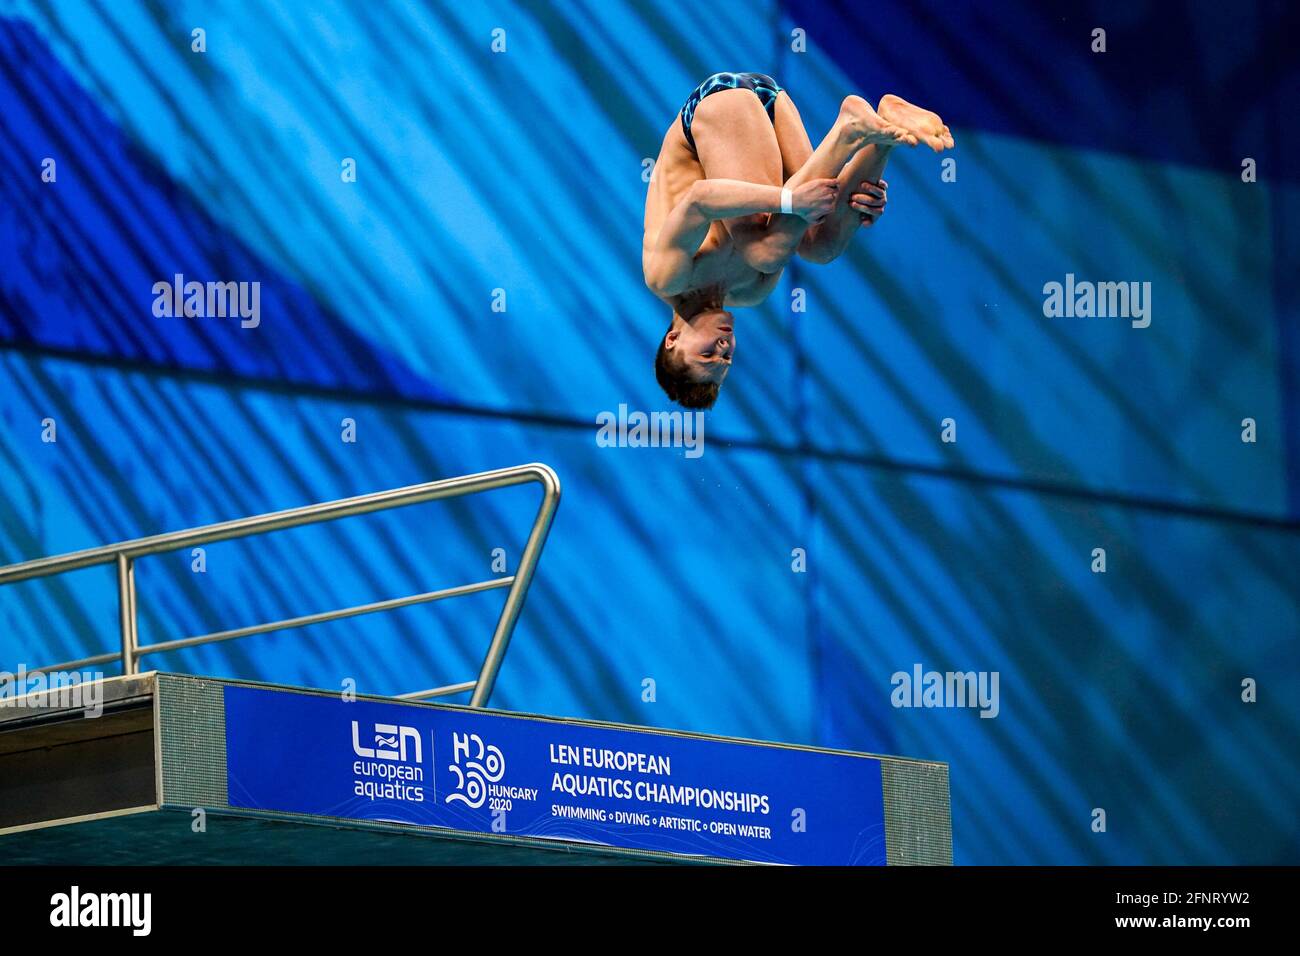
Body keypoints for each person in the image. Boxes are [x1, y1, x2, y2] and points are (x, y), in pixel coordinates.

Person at [643, 72, 953, 408]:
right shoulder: (751, 291)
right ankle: (883, 134)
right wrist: (860, 200)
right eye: (726, 362)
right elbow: (806, 212)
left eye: (707, 355)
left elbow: (699, 199)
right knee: (819, 245)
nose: (724, 349)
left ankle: (849, 128)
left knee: (763, 250)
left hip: (720, 104)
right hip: (772, 104)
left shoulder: (667, 277)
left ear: (673, 339)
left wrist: (788, 200)